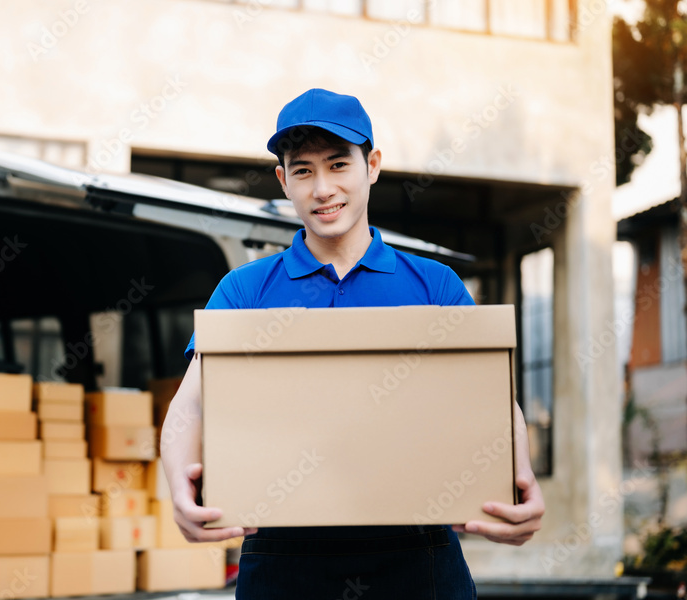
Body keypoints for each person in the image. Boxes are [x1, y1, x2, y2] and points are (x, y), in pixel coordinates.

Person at [160, 88, 545, 599]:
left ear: (373, 166)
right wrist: (178, 492)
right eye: (303, 171)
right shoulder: (245, 291)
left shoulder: (435, 286)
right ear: (283, 180)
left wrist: (520, 479)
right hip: (283, 559)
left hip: (418, 557)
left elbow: (495, 402)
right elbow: (189, 404)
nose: (323, 188)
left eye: (339, 164)